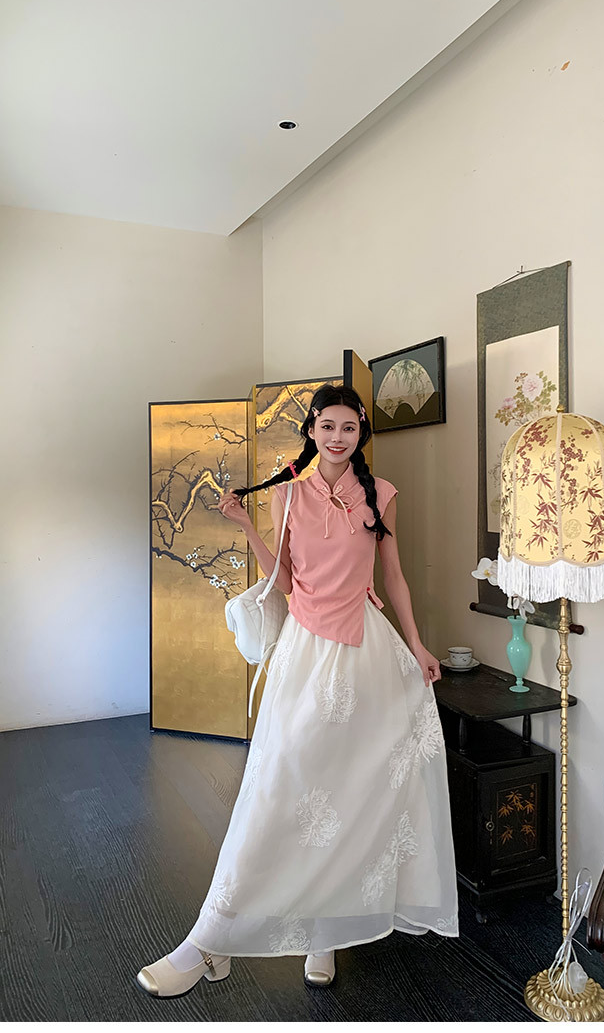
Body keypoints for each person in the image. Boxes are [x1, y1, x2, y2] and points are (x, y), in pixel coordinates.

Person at [137, 381, 458, 994]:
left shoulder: (381, 495)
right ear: (310, 430)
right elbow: (283, 580)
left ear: (360, 433)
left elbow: (393, 576)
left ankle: (323, 933)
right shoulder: (287, 494)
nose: (337, 437)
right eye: (326, 426)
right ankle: (209, 940)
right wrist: (245, 525)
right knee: (278, 788)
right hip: (306, 653)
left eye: (348, 427)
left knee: (349, 790)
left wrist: (417, 643)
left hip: (367, 652)